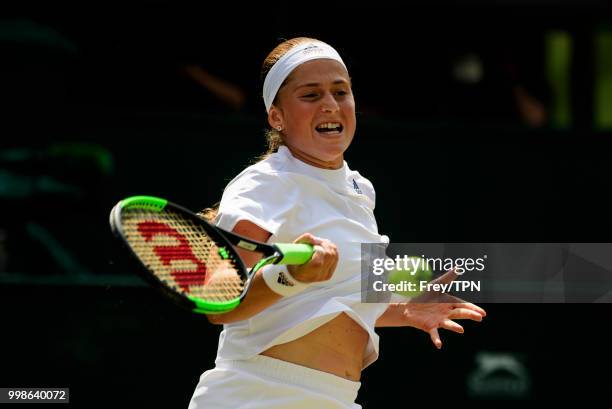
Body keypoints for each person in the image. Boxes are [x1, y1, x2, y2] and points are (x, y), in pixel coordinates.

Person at [189, 37, 486, 409]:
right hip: (257, 394)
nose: (330, 104)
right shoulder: (263, 184)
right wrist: (292, 275)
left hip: (336, 399)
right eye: (310, 95)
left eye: (340, 91)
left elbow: (338, 299)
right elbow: (219, 304)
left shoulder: (360, 190)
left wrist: (403, 311)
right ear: (276, 116)